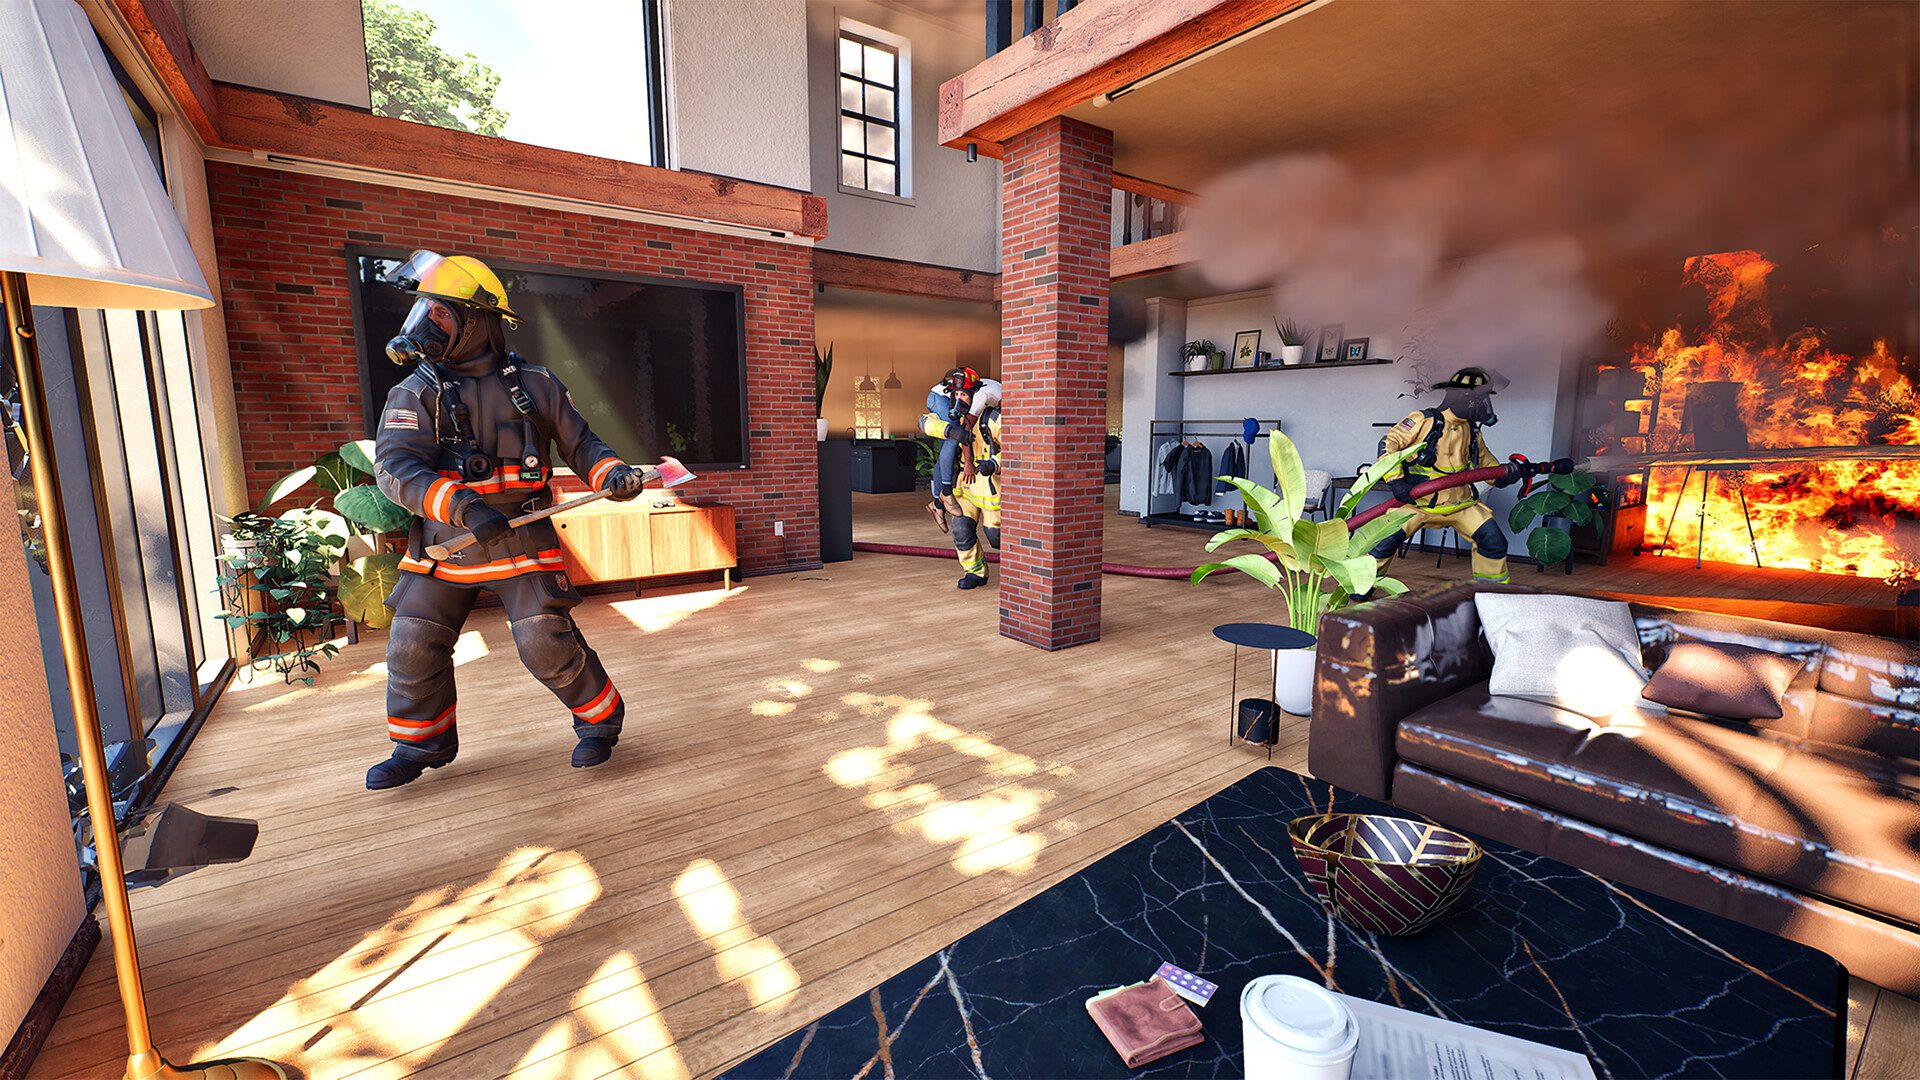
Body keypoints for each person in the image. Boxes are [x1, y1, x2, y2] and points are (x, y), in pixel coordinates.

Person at [366, 250, 647, 790]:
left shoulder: (537, 383)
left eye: (439, 313)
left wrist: (612, 475)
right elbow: (395, 467)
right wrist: (463, 506)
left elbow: (581, 444)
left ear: (477, 321)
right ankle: (419, 743)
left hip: (521, 537)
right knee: (411, 644)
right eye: (424, 310)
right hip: (446, 544)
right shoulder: (415, 390)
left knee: (545, 639)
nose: (424, 323)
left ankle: (600, 722)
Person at [1367, 366, 1517, 584]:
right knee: (1382, 541)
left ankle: (1492, 592)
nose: (1484, 406)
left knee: (1493, 541)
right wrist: (1396, 481)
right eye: (1480, 399)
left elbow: (1486, 464)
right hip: (1418, 505)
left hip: (1462, 506)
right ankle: (1363, 586)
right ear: (1463, 397)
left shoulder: (1473, 431)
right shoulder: (1424, 421)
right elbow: (1388, 443)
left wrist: (1504, 476)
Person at [921, 400, 1002, 589]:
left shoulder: (993, 418)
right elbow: (924, 423)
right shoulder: (950, 417)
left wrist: (993, 463)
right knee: (961, 530)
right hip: (965, 486)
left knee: (996, 536)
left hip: (991, 485)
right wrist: (950, 430)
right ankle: (975, 571)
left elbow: (1018, 448)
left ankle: (1025, 565)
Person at [923, 367, 1002, 532]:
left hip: (946, 395)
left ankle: (937, 504)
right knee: (954, 437)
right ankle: (946, 494)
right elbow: (966, 429)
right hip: (939, 397)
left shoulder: (992, 394)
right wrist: (968, 463)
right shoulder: (983, 397)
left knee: (947, 449)